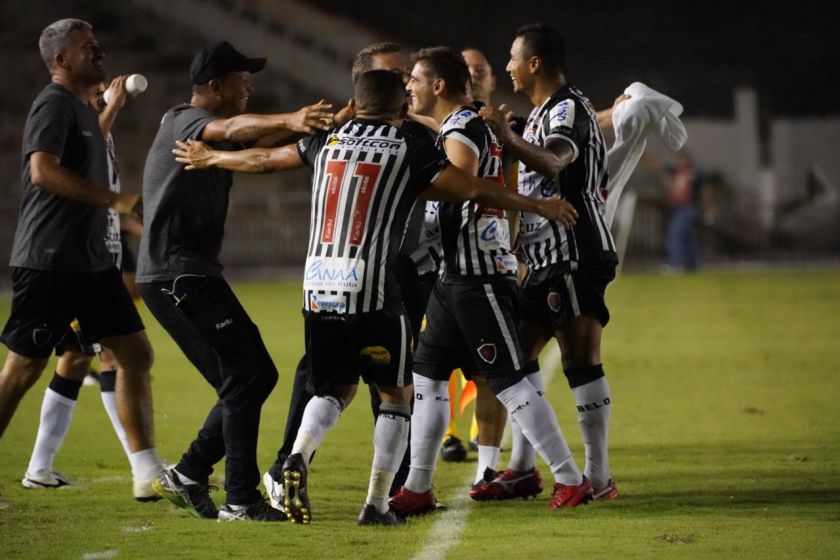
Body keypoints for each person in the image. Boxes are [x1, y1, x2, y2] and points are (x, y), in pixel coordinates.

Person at [172, 69, 577, 525]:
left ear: (356, 102)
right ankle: (377, 504)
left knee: (333, 389)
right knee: (396, 395)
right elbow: (472, 187)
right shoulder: (407, 148)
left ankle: (297, 455)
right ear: (401, 108)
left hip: (317, 289)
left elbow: (265, 159)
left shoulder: (326, 140)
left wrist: (213, 157)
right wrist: (538, 205)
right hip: (373, 288)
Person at [137, 40, 334, 522]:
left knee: (248, 378)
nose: (250, 86)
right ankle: (240, 499)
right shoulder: (186, 120)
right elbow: (233, 128)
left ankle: (189, 475)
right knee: (247, 376)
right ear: (214, 86)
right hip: (178, 273)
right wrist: (293, 118)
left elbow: (255, 144)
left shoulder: (210, 137)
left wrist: (325, 122)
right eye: (242, 80)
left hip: (185, 272)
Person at [262, 42, 439, 506]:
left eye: (407, 74)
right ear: (365, 86)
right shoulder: (384, 138)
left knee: (342, 383)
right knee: (381, 386)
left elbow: (265, 159)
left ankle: (302, 468)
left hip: (371, 273)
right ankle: (363, 493)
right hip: (373, 275)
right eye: (395, 76)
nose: (406, 82)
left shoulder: (364, 135)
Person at [0, 18, 165, 500]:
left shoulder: (79, 110)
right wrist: (115, 201)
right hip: (51, 260)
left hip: (90, 264)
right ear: (60, 60)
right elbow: (42, 171)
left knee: (134, 354)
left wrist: (111, 110)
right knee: (23, 370)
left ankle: (147, 471)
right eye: (86, 47)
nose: (99, 51)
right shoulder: (52, 104)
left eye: (96, 44)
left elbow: (88, 147)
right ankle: (47, 466)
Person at [479, 23, 619, 504]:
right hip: (543, 260)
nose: (508, 67)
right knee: (513, 359)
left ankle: (599, 477)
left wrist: (507, 136)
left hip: (575, 253)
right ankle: (523, 469)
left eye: (513, 58)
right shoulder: (541, 113)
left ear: (534, 63)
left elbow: (555, 161)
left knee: (580, 361)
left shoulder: (567, 107)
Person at [21, 76, 149, 496]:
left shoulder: (100, 140)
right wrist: (112, 107)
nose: (103, 93)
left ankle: (42, 467)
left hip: (98, 260)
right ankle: (142, 465)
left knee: (83, 359)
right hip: (75, 265)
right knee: (87, 359)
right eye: (97, 91)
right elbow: (78, 156)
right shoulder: (80, 132)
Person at [664, 150, 703, 271]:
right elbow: (659, 165)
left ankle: (674, 263)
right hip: (677, 208)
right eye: (678, 160)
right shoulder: (675, 173)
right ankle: (692, 265)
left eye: (682, 159)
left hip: (687, 209)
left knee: (675, 234)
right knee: (688, 238)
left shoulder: (692, 174)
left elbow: (703, 191)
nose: (680, 162)